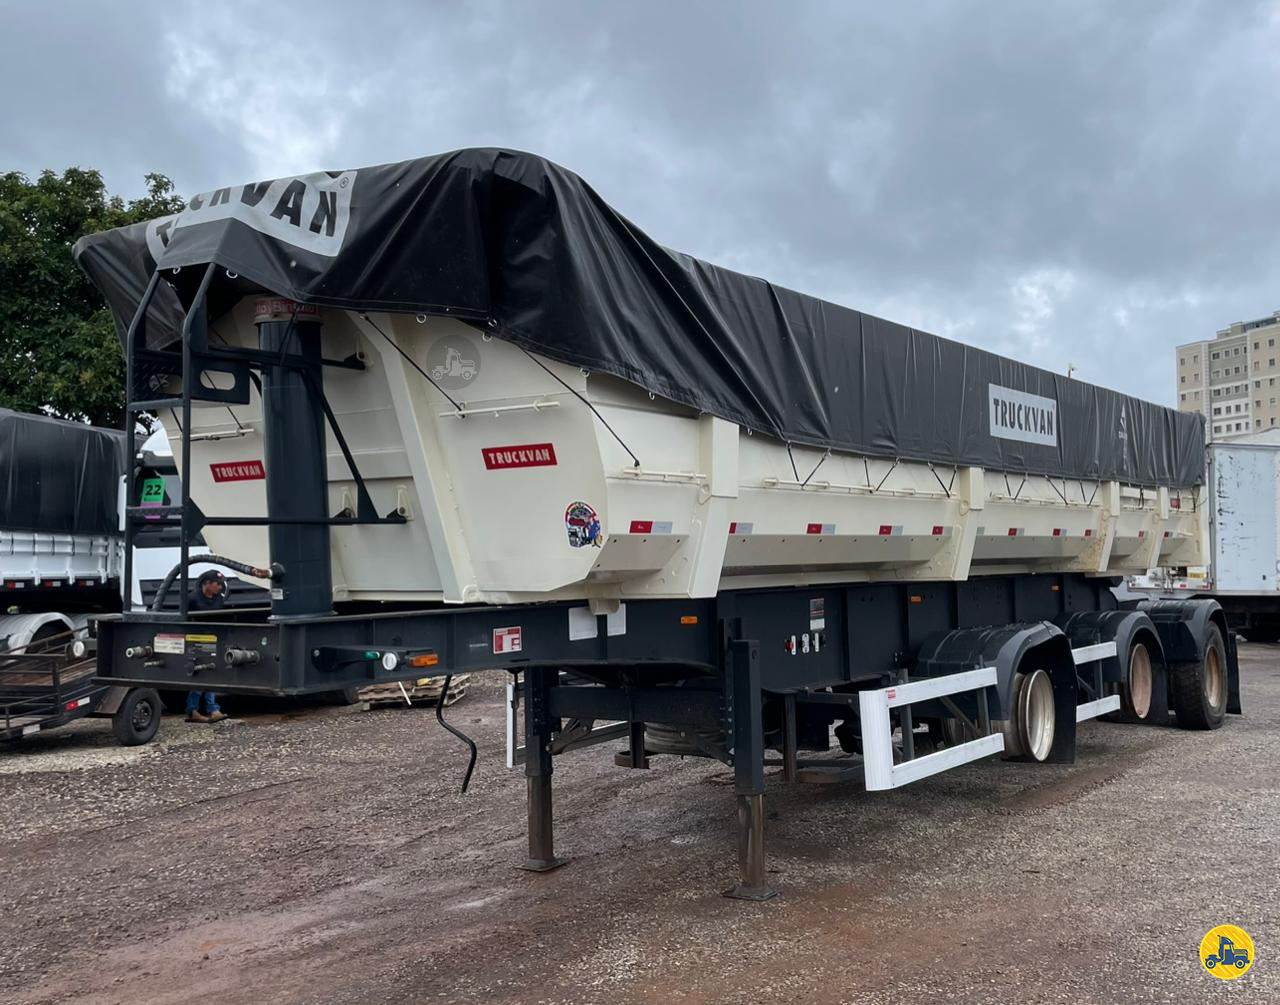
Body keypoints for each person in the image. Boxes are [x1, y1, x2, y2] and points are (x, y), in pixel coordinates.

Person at [185, 570, 229, 723]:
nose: (220, 587)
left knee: (211, 673)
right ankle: (196, 709)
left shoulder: (219, 599)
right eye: (217, 584)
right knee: (200, 674)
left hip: (212, 639)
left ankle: (208, 709)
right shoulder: (192, 598)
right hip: (196, 640)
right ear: (207, 584)